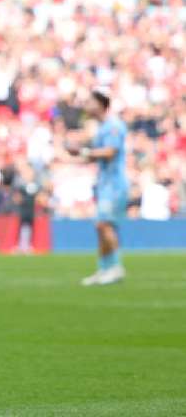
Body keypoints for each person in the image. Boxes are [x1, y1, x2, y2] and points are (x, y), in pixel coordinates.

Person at [67, 88, 127, 286]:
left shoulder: (113, 126)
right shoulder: (102, 128)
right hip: (104, 183)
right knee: (100, 226)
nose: (87, 106)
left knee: (104, 224)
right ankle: (105, 268)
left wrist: (84, 151)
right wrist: (79, 155)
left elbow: (109, 152)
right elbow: (95, 155)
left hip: (114, 183)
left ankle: (116, 267)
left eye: (90, 102)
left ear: (101, 104)